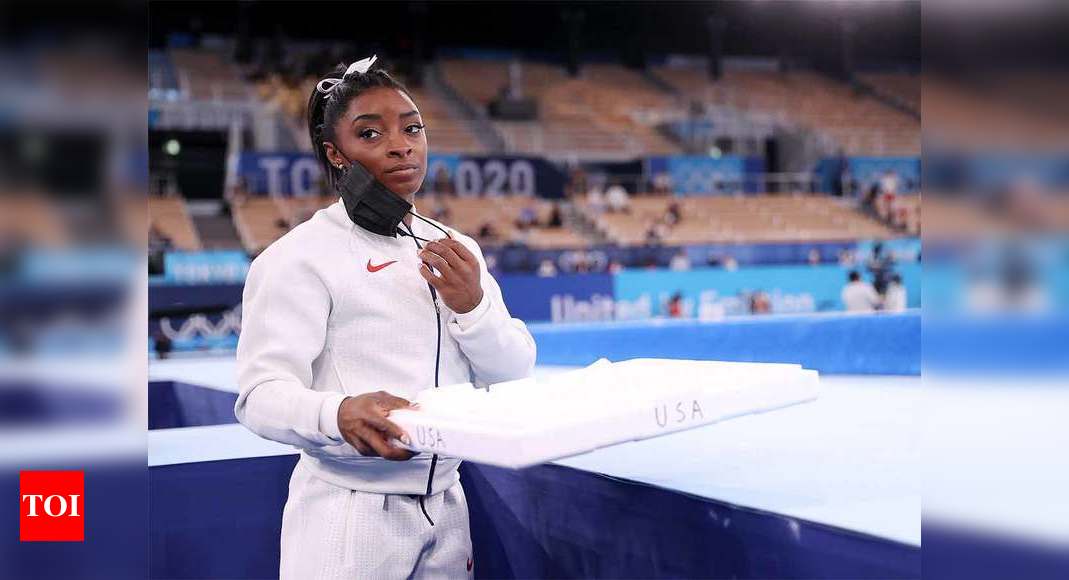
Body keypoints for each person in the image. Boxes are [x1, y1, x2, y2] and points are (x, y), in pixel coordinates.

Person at [235, 57, 536, 579]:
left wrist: (474, 307)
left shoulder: (456, 248)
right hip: (347, 516)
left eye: (412, 128)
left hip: (447, 506)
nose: (402, 144)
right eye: (371, 133)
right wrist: (338, 412)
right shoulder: (298, 258)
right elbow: (258, 397)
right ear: (337, 154)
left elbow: (513, 372)